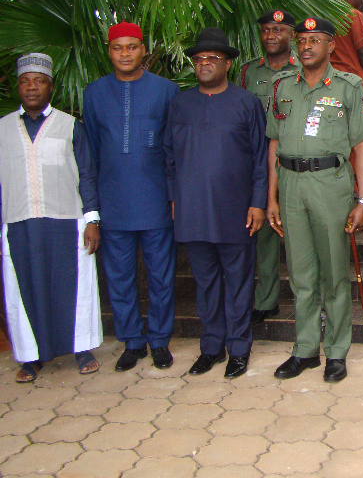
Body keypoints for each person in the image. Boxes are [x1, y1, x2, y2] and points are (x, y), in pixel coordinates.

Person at [267, 17, 363, 383]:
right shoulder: (283, 87)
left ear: (331, 45)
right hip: (292, 185)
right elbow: (274, 144)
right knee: (301, 273)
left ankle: (337, 352)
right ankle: (306, 348)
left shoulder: (349, 86)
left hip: (331, 184)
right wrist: (272, 197)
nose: (307, 45)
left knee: (333, 274)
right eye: (302, 39)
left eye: (316, 39)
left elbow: (361, 146)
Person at [164, 28, 268, 379]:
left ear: (227, 63)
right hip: (192, 210)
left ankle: (239, 349)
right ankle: (211, 347)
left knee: (238, 282)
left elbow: (260, 158)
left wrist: (257, 203)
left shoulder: (246, 103)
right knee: (205, 282)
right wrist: (174, 197)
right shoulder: (180, 103)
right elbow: (168, 156)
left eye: (212, 59)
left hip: (235, 210)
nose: (204, 64)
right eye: (198, 59)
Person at [83, 22, 179, 372]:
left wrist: (174, 196)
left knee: (161, 275)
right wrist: (92, 209)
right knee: (119, 277)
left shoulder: (166, 90)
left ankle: (159, 341)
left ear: (143, 50)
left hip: (156, 200)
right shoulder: (93, 93)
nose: (125, 53)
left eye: (132, 47)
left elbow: (173, 149)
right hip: (113, 202)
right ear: (109, 52)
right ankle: (132, 341)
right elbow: (91, 153)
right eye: (118, 47)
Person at [0, 53, 103, 383]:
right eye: (25, 81)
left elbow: (86, 174)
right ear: (18, 86)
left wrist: (93, 220)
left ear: (51, 87)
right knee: (23, 289)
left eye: (39, 81)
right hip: (18, 222)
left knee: (73, 288)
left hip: (66, 221)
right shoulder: (2, 129)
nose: (32, 87)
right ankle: (31, 357)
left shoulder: (70, 126)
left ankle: (81, 349)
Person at [240, 9, 301, 326]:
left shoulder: (305, 69)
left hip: (295, 159)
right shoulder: (248, 72)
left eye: (279, 30)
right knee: (262, 231)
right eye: (266, 30)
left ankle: (308, 298)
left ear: (291, 35)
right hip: (257, 160)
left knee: (299, 232)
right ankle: (266, 301)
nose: (272, 36)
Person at [330, 0, 363, 90]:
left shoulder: (330, 14)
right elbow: (362, 52)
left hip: (331, 77)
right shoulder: (354, 14)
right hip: (352, 77)